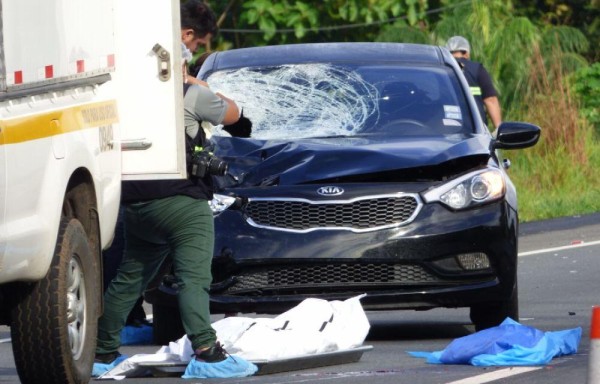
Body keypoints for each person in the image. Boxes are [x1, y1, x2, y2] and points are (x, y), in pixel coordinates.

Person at [92, 1, 257, 379]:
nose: (195, 54)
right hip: (184, 201)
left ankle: (101, 352)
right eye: (195, 47)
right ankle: (207, 351)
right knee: (194, 278)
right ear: (181, 43)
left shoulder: (127, 93)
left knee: (130, 278)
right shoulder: (189, 92)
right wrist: (201, 86)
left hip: (136, 200)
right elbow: (238, 120)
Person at [445, 36, 502, 131]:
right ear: (466, 53)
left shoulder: (442, 69)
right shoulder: (477, 69)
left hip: (448, 127)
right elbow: (490, 99)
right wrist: (499, 128)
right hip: (475, 129)